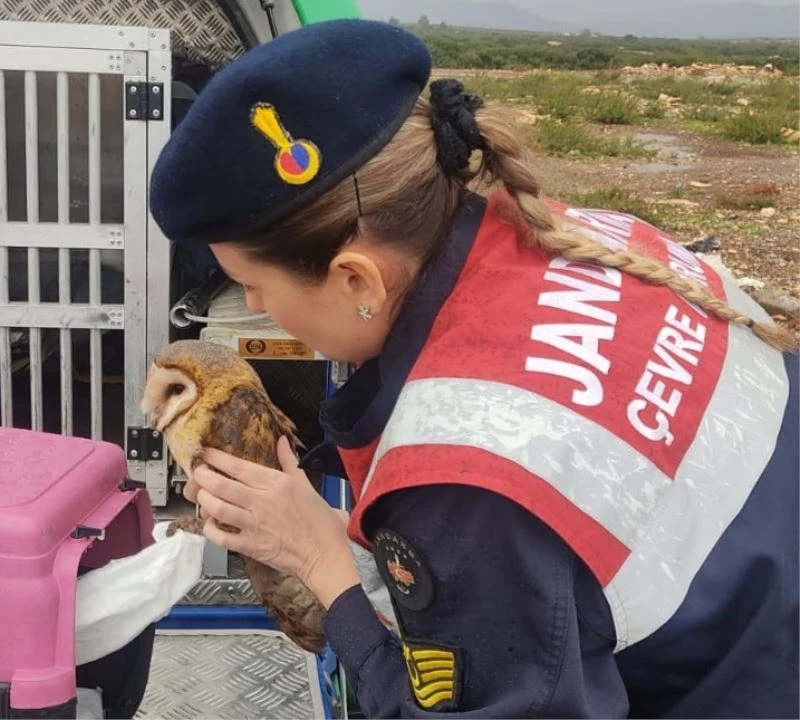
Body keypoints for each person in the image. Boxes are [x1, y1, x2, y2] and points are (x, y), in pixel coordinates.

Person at [149, 19, 799, 719]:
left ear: (356, 281)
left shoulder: (467, 481)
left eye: (253, 285)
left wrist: (322, 566)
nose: (250, 305)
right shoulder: (591, 236)